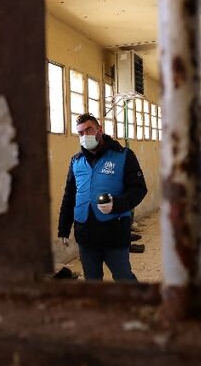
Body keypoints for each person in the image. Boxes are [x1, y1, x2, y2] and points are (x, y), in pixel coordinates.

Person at [58, 113, 147, 281]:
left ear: (100, 129)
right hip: (85, 234)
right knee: (92, 279)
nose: (85, 136)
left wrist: (117, 204)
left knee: (123, 277)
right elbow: (69, 196)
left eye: (89, 130)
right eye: (81, 133)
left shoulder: (123, 155)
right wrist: (63, 227)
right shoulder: (76, 161)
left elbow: (139, 189)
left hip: (113, 231)